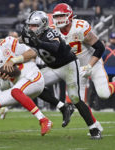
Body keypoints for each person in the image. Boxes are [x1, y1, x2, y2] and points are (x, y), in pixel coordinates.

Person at [21, 10, 101, 139]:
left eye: (34, 25)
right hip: (52, 68)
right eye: (29, 25)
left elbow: (55, 47)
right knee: (34, 85)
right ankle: (63, 107)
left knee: (75, 98)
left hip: (68, 65)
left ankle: (94, 129)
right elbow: (17, 41)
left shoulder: (51, 32)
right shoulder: (29, 34)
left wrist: (39, 43)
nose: (30, 28)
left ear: (42, 24)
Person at [0, 34, 53, 140]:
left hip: (33, 76)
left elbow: (33, 53)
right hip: (20, 87)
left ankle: (44, 120)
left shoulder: (8, 43)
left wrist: (13, 61)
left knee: (15, 91)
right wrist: (4, 79)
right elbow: (4, 86)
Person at [52, 3, 115, 131]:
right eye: (57, 17)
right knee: (77, 101)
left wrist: (89, 66)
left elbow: (100, 47)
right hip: (76, 69)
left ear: (69, 15)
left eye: (62, 16)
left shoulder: (80, 27)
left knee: (104, 94)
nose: (59, 19)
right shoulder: (54, 32)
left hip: (93, 64)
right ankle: (95, 125)